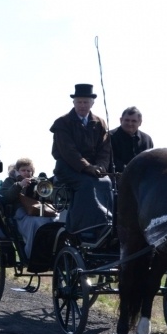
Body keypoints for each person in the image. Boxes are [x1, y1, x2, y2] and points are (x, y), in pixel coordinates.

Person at [50, 83, 113, 244]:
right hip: (67, 167)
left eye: (86, 102)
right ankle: (83, 228)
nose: (82, 105)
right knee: (86, 184)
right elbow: (68, 152)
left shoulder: (99, 123)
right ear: (74, 103)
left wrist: (101, 166)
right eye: (79, 102)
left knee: (106, 182)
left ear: (92, 103)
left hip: (93, 169)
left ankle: (107, 224)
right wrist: (87, 167)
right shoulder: (62, 123)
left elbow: (105, 149)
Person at [0, 157, 57, 261]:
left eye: (29, 171)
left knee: (55, 221)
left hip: (38, 211)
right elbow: (5, 197)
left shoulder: (36, 182)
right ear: (17, 171)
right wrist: (19, 185)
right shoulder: (10, 180)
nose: (26, 173)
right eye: (23, 170)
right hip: (20, 214)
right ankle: (33, 255)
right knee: (36, 223)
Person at [109, 106, 154, 173]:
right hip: (116, 176)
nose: (130, 124)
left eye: (133, 121)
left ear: (140, 122)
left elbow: (150, 162)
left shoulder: (147, 140)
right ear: (121, 120)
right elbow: (108, 160)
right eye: (127, 120)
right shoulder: (110, 137)